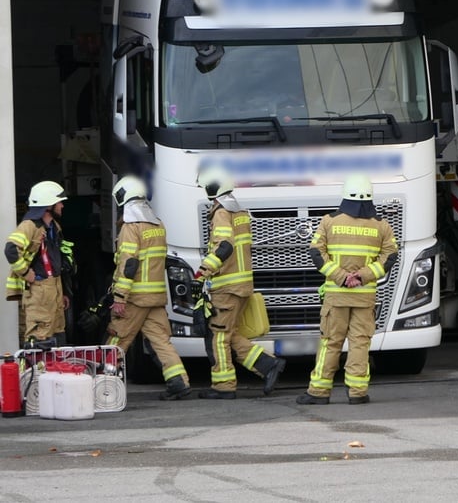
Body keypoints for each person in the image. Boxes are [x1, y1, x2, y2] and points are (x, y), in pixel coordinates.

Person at [297, 175, 398, 405]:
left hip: (337, 296)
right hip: (365, 297)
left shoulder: (329, 222)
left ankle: (319, 392)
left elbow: (316, 254)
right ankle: (357, 392)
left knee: (330, 342)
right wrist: (363, 275)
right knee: (360, 343)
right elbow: (390, 256)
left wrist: (342, 277)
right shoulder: (381, 225)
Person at [195, 166, 285, 398]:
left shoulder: (222, 212)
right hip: (243, 284)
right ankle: (267, 365)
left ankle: (223, 386)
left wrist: (205, 269)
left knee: (219, 336)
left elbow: (224, 246)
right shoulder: (240, 212)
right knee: (229, 332)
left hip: (226, 286)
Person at [104, 175, 191, 400]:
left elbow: (129, 264)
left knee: (118, 339)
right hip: (156, 297)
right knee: (161, 341)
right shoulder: (158, 224)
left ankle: (103, 385)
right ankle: (179, 382)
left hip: (134, 298)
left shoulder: (131, 227)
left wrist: (120, 297)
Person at [5, 180, 72, 346]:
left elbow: (56, 259)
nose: (62, 206)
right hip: (39, 290)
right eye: (59, 202)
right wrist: (27, 273)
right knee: (39, 340)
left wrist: (62, 291)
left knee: (58, 336)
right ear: (48, 205)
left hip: (54, 287)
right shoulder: (29, 226)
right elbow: (11, 249)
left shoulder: (54, 227)